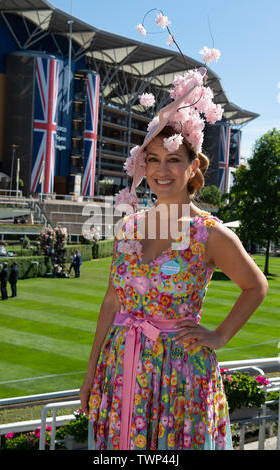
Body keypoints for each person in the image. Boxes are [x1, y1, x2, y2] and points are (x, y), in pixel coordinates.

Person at [79, 47, 268, 452]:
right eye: (153, 160)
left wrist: (218, 336)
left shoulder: (209, 233)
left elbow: (256, 286)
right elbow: (112, 300)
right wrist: (92, 369)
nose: (162, 170)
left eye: (174, 160)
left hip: (180, 378)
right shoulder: (129, 225)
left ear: (193, 167)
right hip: (121, 368)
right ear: (142, 166)